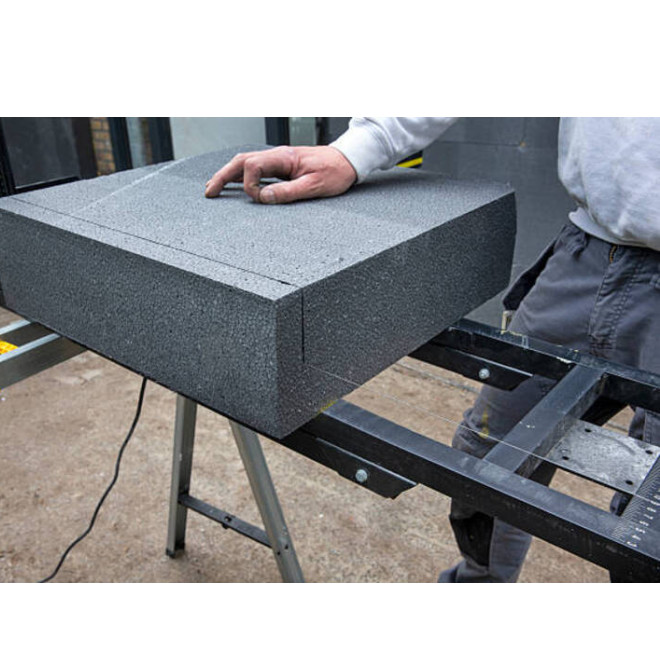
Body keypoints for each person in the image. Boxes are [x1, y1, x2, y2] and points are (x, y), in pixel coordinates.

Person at [205, 118, 660, 582]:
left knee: (649, 519)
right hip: (589, 248)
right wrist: (357, 149)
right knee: (485, 459)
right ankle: (480, 580)